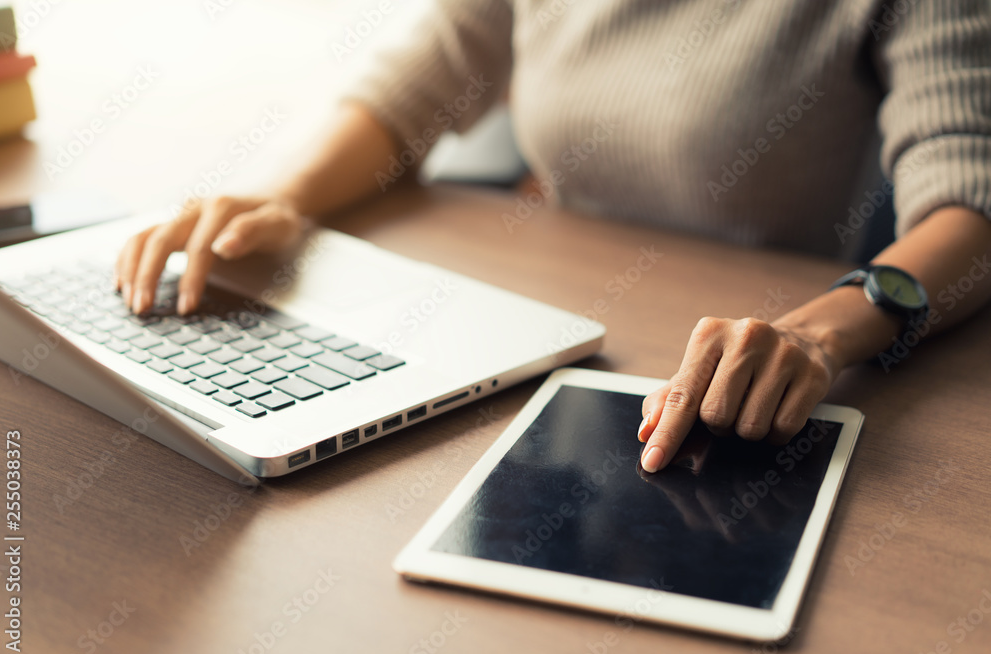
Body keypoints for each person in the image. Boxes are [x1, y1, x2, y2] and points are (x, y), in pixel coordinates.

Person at [114, 1, 991, 474]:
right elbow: (411, 86)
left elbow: (970, 203)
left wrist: (821, 327)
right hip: (563, 339)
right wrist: (280, 197)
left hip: (747, 368)